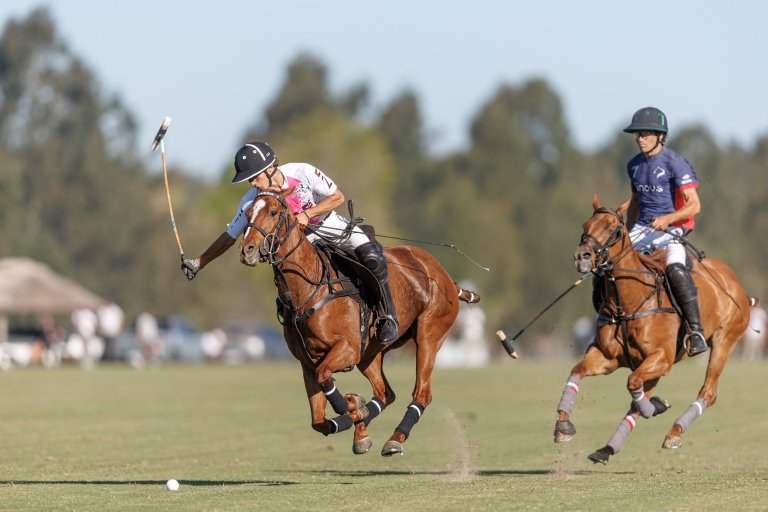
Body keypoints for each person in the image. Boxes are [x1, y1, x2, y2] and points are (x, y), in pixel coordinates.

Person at [179, 141, 398, 344]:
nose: (253, 183)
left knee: (372, 258)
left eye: (255, 177)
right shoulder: (251, 200)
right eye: (250, 180)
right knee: (286, 293)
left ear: (270, 168)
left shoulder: (303, 172)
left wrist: (308, 214)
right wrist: (200, 262)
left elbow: (337, 197)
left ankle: (388, 316)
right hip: (301, 244)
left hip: (330, 225)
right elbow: (229, 236)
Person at [620, 106, 708, 357]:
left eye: (646, 133)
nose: (640, 138)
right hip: (641, 228)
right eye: (637, 134)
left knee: (676, 270)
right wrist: (626, 234)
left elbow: (695, 204)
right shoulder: (634, 165)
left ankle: (695, 331)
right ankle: (608, 319)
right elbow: (636, 202)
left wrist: (668, 218)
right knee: (609, 264)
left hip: (672, 229)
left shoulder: (675, 163)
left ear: (660, 136)